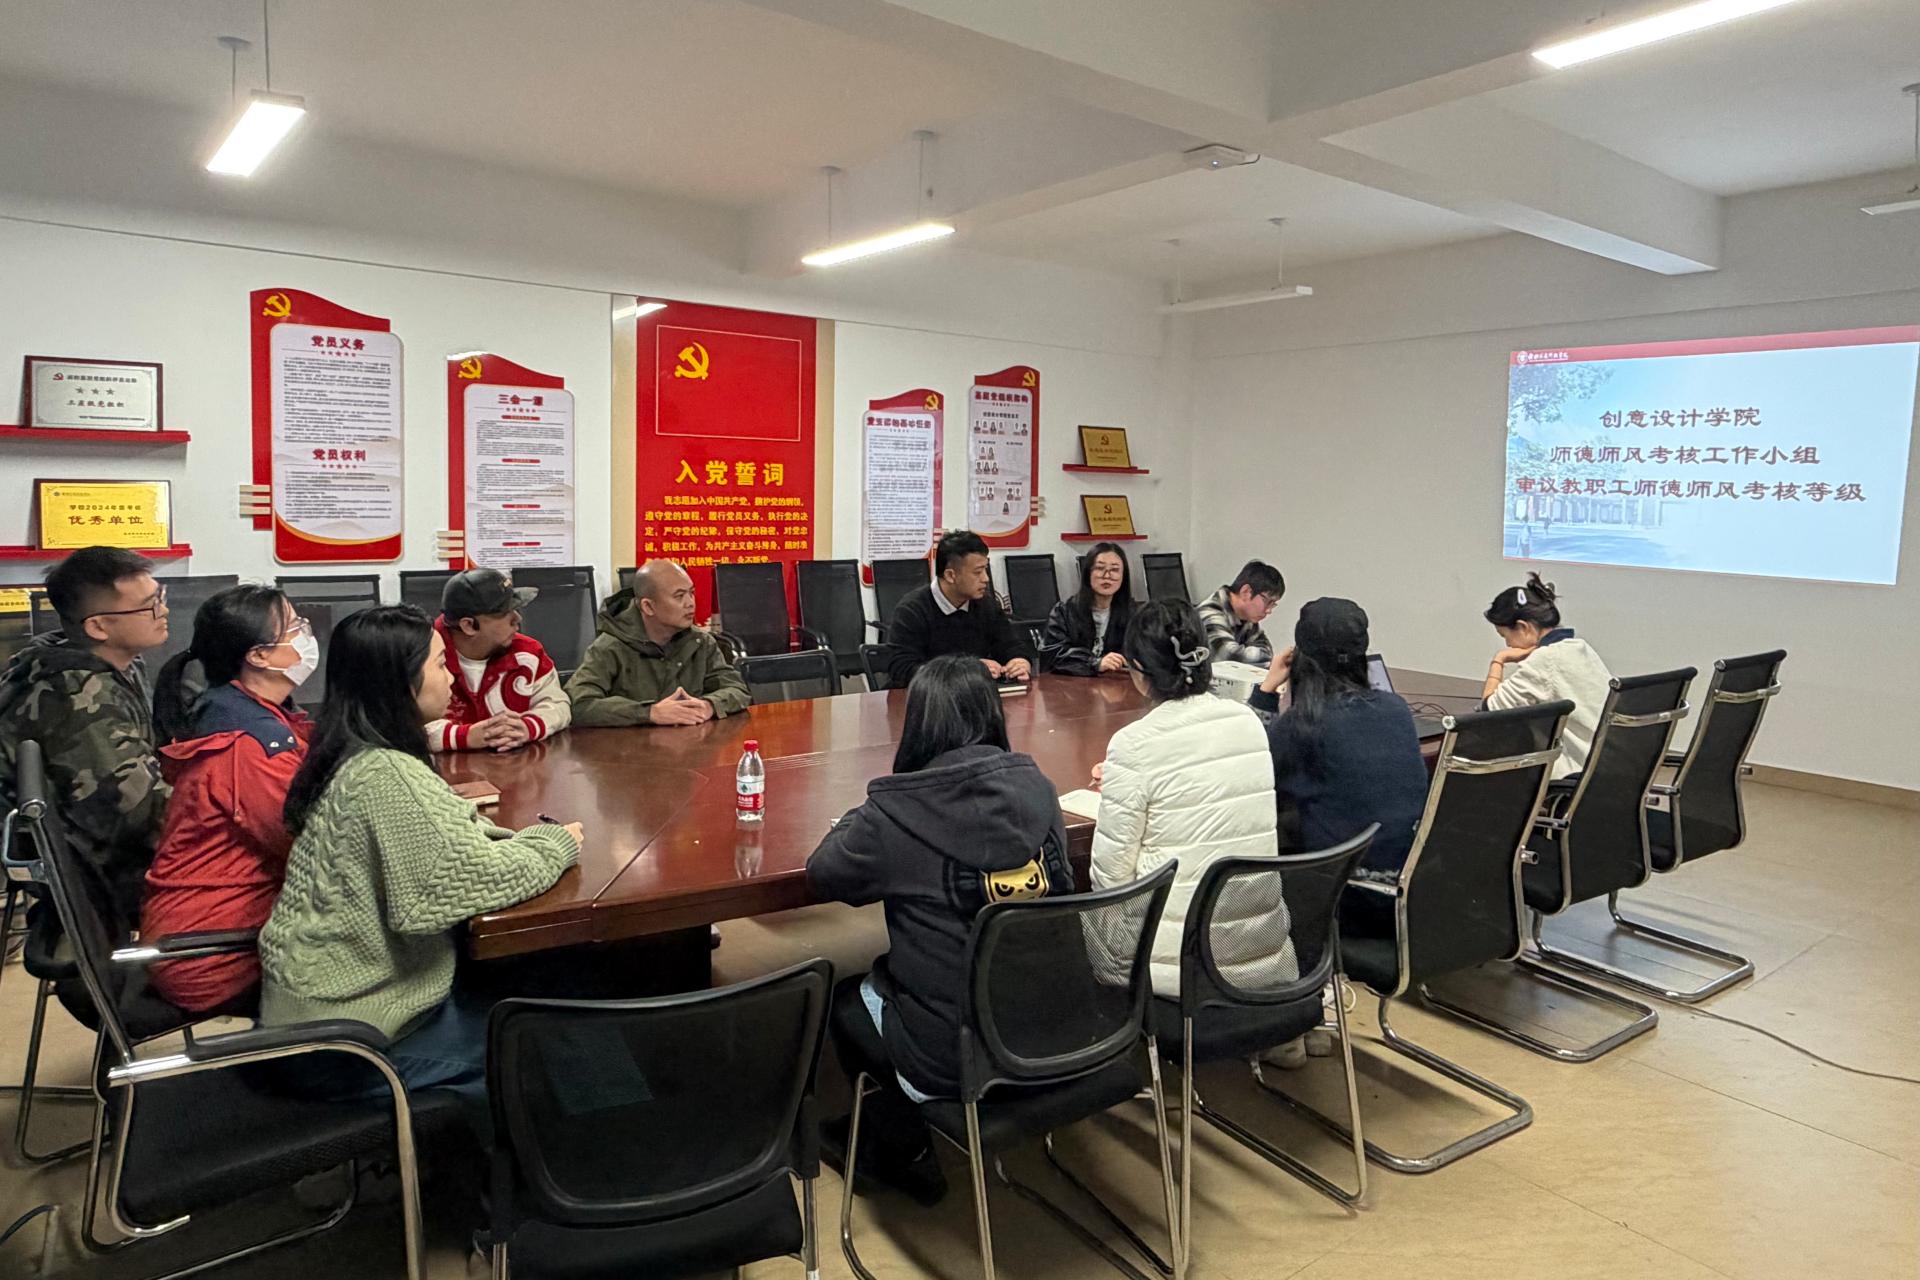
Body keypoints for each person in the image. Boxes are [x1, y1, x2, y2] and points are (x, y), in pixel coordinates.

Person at [259, 606, 580, 1131]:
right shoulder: (384, 772)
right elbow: (466, 878)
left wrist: (511, 840)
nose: (451, 675)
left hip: (330, 1012)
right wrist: (554, 843)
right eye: (438, 665)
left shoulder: (354, 751)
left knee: (538, 991)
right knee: (542, 1045)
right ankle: (525, 1172)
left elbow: (450, 838)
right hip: (348, 1041)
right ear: (400, 683)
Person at [807, 655, 1071, 1205]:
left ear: (919, 725)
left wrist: (870, 807)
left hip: (957, 1056)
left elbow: (825, 873)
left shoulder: (893, 813)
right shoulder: (1040, 787)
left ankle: (903, 1151)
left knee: (844, 998)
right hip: (1058, 1028)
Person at [1088, 600, 1290, 999]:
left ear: (1139, 671)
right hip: (1261, 951)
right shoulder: (1248, 722)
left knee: (1067, 916)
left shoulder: (1134, 744)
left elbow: (1110, 880)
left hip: (1173, 965)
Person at [142, 585, 314, 1013]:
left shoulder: (231, 709)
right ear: (259, 656)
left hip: (201, 932)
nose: (307, 633)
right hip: (212, 954)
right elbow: (309, 848)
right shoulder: (250, 745)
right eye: (295, 626)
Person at [0, 547, 170, 927]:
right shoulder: (77, 696)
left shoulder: (112, 666)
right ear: (98, 627)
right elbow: (140, 814)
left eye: (160, 596)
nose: (164, 611)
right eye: (149, 606)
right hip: (97, 876)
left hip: (93, 852)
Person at [1250, 599, 1428, 877]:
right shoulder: (1397, 708)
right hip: (1410, 877)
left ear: (1301, 661)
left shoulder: (1303, 724)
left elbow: (1252, 771)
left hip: (1347, 886)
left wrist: (1266, 691)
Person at [565, 559, 749, 728]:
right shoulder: (610, 646)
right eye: (679, 596)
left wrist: (709, 705)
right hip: (630, 749)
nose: (690, 603)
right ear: (648, 607)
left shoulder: (700, 641)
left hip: (690, 745)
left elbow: (737, 689)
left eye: (691, 593)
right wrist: (649, 713)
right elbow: (579, 704)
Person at [1481, 573, 1613, 779]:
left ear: (1523, 627)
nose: (1508, 644)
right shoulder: (1580, 648)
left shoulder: (1545, 660)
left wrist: (1499, 660)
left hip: (1577, 774)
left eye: (1505, 636)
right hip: (1608, 766)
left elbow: (1489, 711)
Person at [426, 567, 572, 753]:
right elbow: (401, 727)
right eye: (504, 613)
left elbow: (559, 705)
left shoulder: (529, 653)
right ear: (469, 625)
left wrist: (528, 726)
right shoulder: (421, 657)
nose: (517, 618)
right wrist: (464, 736)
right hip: (438, 769)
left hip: (517, 766)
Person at [883, 530, 1033, 687]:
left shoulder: (986, 605)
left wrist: (1019, 661)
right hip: (925, 697)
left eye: (985, 569)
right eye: (977, 572)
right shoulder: (912, 610)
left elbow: (1010, 645)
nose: (986, 579)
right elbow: (901, 668)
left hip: (974, 694)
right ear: (950, 575)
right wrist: (964, 671)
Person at [1041, 542, 1135, 677]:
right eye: (1100, 568)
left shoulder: (1134, 614)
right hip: (1072, 685)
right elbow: (1052, 655)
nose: (1107, 576)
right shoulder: (1064, 612)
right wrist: (1095, 663)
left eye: (1114, 570)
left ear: (1123, 576)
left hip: (1116, 683)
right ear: (1087, 573)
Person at [1195, 560, 1285, 665]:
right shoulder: (1209, 612)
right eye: (1267, 601)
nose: (1269, 610)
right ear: (1246, 592)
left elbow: (1266, 650)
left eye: (1273, 604)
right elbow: (1228, 657)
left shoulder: (1246, 618)